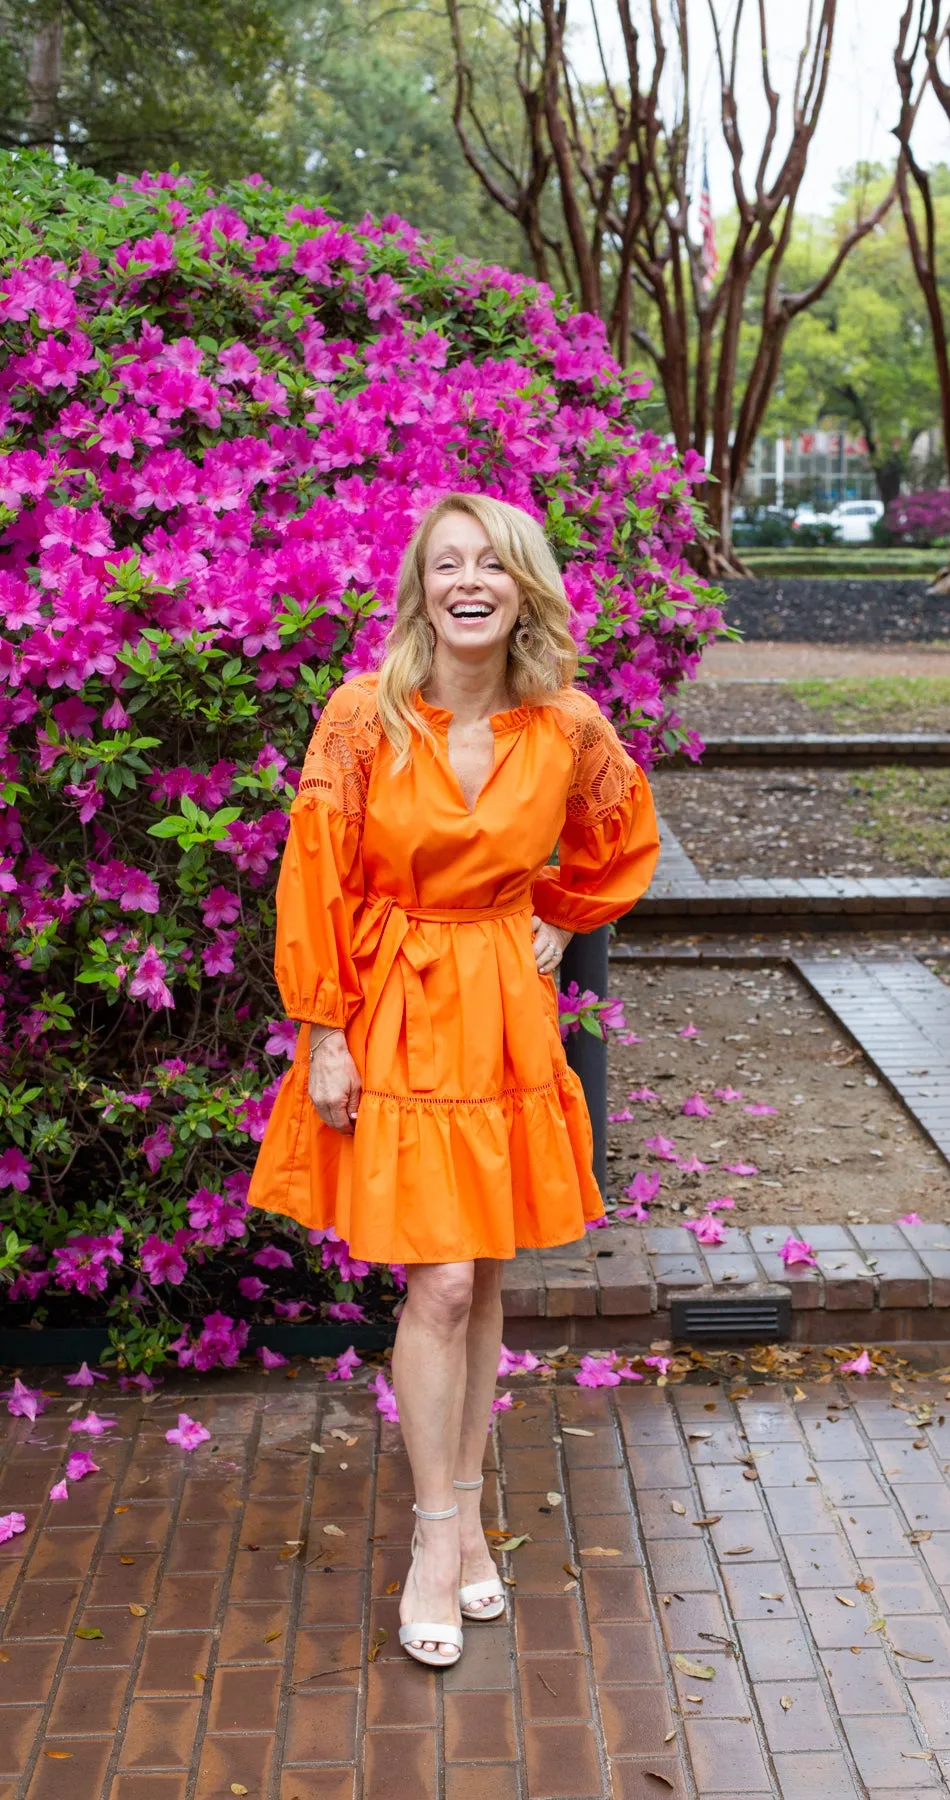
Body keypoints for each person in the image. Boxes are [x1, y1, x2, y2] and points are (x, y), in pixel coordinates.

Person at [247, 492, 660, 1669]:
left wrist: (556, 912)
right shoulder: (363, 717)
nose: (469, 581)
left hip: (501, 1016)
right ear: (420, 588)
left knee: (477, 1283)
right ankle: (440, 1538)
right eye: (447, 564)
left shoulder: (567, 725)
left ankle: (467, 1518)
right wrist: (324, 1028)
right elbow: (313, 873)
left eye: (493, 563)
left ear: (525, 586)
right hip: (392, 1008)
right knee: (437, 1285)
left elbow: (621, 838)